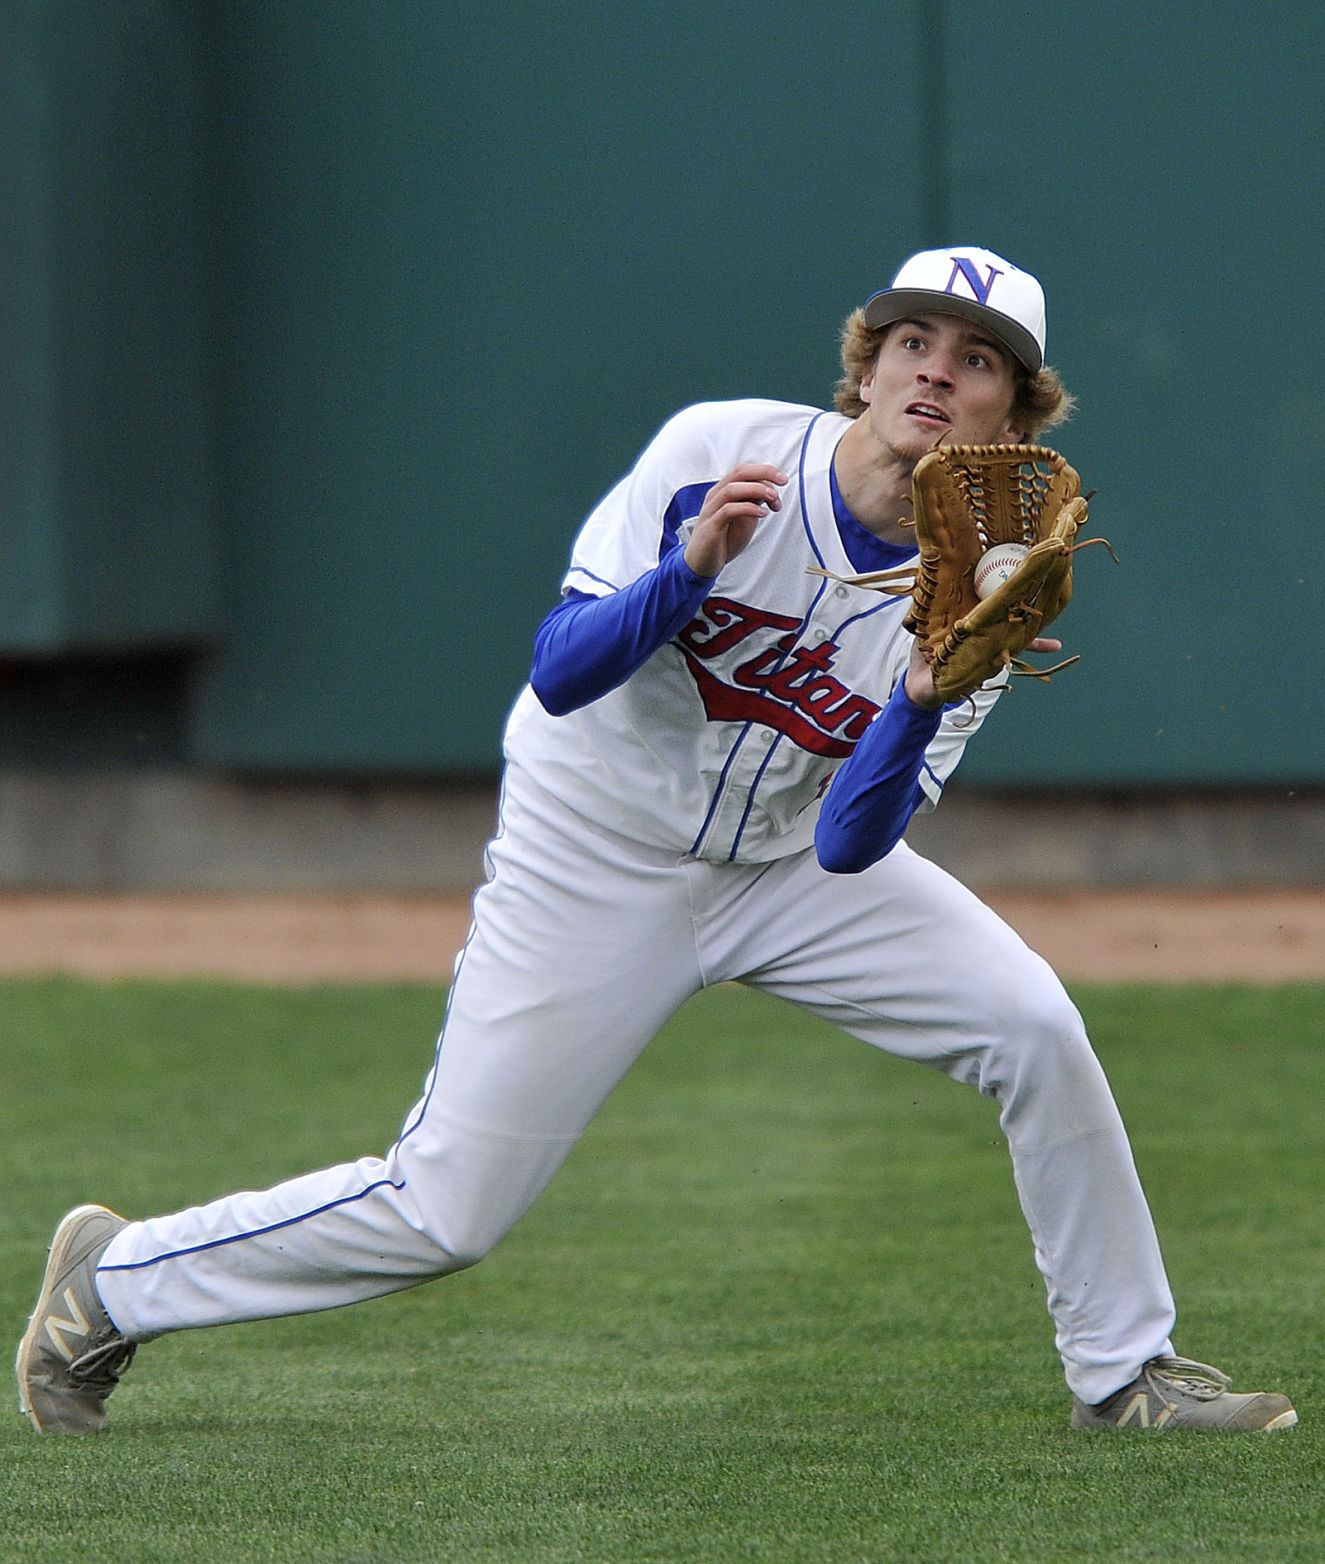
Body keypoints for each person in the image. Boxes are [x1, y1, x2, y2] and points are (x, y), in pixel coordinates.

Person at [16, 246, 1295, 1436]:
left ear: (1008, 421)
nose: (934, 371)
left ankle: (1124, 1373)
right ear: (864, 368)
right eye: (913, 341)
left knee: (1032, 1026)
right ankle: (112, 1281)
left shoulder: (988, 584)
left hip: (792, 865)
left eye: (975, 361)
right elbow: (560, 671)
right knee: (446, 1210)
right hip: (597, 844)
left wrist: (914, 701)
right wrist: (684, 571)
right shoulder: (718, 448)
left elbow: (853, 844)